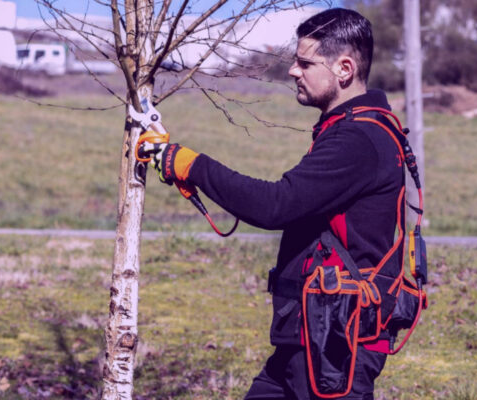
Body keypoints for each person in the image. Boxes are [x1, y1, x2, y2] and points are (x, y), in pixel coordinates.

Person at [140, 8, 405, 400]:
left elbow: (275, 204)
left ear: (344, 68)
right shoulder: (360, 128)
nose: (293, 72)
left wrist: (190, 165)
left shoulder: (358, 139)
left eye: (304, 62)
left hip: (335, 347)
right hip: (309, 336)